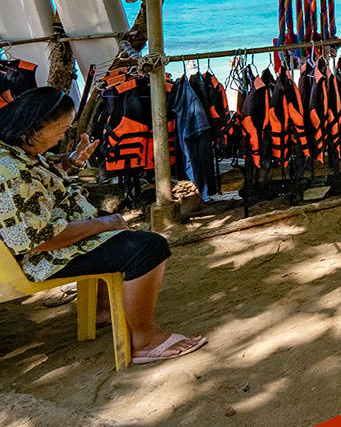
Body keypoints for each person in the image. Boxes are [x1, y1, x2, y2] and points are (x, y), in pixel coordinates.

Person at [0, 87, 206, 364]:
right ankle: (145, 340)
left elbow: (36, 193)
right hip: (42, 258)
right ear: (34, 125)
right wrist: (101, 224)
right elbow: (41, 239)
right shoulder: (8, 168)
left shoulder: (15, 150)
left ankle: (99, 310)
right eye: (60, 128)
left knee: (120, 236)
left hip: (50, 243)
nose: (63, 134)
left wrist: (71, 164)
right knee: (148, 248)